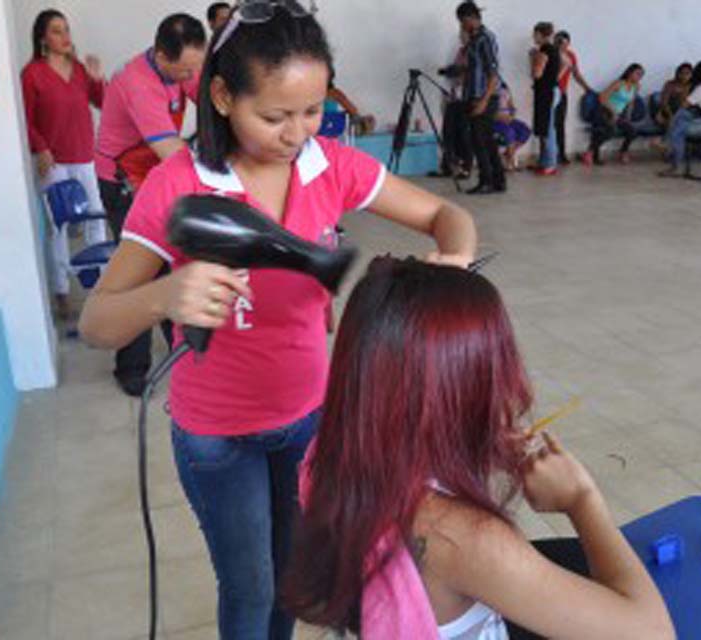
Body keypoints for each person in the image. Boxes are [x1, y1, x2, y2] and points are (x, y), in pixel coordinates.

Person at [78, 5, 477, 639]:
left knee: (292, 576)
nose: (297, 133)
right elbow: (98, 322)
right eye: (274, 116)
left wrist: (454, 256)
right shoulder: (177, 185)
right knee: (249, 585)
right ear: (222, 96)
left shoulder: (331, 165)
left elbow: (446, 217)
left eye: (312, 111)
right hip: (216, 436)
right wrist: (166, 296)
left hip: (309, 420)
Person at [282, 257, 676, 640]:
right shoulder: (466, 538)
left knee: (574, 558)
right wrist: (582, 500)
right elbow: (653, 632)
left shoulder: (332, 450)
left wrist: (476, 442)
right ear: (460, 391)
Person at [93, 14, 206, 396]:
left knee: (167, 260)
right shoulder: (138, 84)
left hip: (151, 175)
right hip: (122, 181)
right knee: (135, 272)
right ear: (161, 55)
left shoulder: (178, 68)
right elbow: (170, 152)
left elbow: (207, 99)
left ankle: (180, 344)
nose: (191, 74)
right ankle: (131, 368)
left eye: (196, 66)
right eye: (186, 68)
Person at [21, 9, 108, 320]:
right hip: (54, 162)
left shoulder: (80, 69)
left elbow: (103, 102)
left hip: (84, 155)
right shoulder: (32, 73)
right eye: (57, 31)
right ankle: (61, 290)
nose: (65, 36)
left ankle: (100, 286)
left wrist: (98, 79)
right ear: (43, 37)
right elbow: (26, 121)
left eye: (66, 29)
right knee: (58, 228)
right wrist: (41, 148)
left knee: (95, 220)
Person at [456, 2, 506, 194]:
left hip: (484, 97)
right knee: (487, 141)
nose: (461, 25)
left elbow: (493, 73)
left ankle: (487, 182)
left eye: (462, 21)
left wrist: (484, 101)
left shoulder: (486, 38)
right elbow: (473, 68)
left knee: (480, 141)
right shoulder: (473, 39)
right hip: (474, 95)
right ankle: (498, 180)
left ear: (470, 18)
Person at [659, 60, 701, 178]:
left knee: (679, 127)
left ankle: (672, 159)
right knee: (681, 118)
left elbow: (683, 105)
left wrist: (682, 92)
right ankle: (667, 145)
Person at [582, 63, 644, 167]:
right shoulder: (618, 83)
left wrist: (628, 117)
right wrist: (613, 112)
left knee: (632, 131)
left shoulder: (636, 86)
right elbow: (602, 98)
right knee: (610, 131)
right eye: (637, 74)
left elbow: (630, 103)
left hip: (618, 114)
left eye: (641, 75)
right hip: (604, 111)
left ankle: (623, 152)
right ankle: (590, 151)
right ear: (629, 73)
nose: (639, 77)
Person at [436, 26, 473, 179]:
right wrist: (448, 71)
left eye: (463, 34)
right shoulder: (461, 51)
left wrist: (454, 71)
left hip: (466, 97)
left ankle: (466, 167)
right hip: (453, 95)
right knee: (448, 132)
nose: (461, 37)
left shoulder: (474, 51)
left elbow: (468, 71)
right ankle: (448, 166)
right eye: (460, 34)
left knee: (463, 134)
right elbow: (457, 69)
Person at [554, 31, 592, 165]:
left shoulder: (570, 55)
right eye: (559, 42)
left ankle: (561, 154)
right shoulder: (551, 54)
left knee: (559, 124)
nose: (562, 46)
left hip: (562, 93)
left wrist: (587, 87)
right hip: (550, 93)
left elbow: (576, 74)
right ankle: (548, 156)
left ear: (568, 43)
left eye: (565, 43)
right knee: (548, 126)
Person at [530, 22, 561, 176]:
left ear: (541, 34)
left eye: (535, 34)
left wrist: (533, 58)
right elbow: (565, 65)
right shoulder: (553, 49)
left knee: (548, 129)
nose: (533, 37)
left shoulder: (544, 50)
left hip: (547, 93)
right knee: (545, 127)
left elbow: (536, 74)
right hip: (551, 91)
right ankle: (545, 162)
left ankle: (550, 164)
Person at [494, 83, 532, 171]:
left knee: (525, 130)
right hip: (495, 120)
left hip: (508, 119)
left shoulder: (504, 88)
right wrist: (500, 116)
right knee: (509, 132)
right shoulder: (486, 90)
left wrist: (512, 114)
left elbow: (511, 105)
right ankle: (510, 162)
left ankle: (509, 153)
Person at [657, 62, 693, 130]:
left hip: (686, 112)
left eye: (687, 73)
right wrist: (671, 117)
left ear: (691, 74)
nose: (684, 76)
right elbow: (664, 103)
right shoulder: (670, 84)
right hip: (669, 111)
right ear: (678, 73)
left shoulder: (693, 86)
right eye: (682, 73)